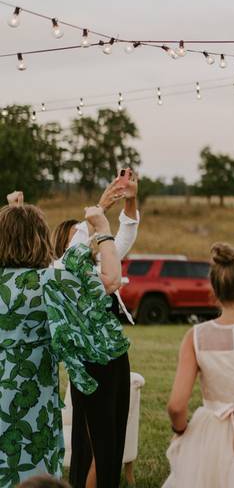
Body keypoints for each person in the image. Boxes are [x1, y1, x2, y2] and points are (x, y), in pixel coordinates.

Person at [0, 199, 129, 485]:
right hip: (30, 400)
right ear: (38, 238)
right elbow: (110, 282)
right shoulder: (50, 281)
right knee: (29, 472)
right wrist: (104, 229)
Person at [163, 243, 234, 487]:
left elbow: (176, 405)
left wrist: (182, 430)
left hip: (211, 436)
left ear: (214, 292)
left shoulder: (196, 336)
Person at [62, 171, 141, 488]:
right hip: (88, 362)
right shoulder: (61, 272)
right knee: (94, 436)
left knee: (108, 435)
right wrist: (100, 208)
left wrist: (131, 198)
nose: (85, 237)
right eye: (78, 234)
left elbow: (127, 234)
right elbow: (74, 251)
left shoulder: (99, 268)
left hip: (114, 358)